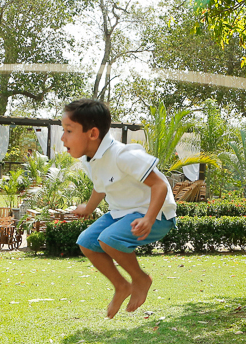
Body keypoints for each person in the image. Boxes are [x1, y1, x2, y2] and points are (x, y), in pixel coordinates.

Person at [61, 98, 177, 318]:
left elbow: (160, 185)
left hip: (157, 215)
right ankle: (121, 285)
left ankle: (140, 278)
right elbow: (100, 187)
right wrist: (87, 208)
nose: (62, 137)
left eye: (68, 130)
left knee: (108, 239)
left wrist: (149, 219)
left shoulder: (123, 155)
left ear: (92, 134)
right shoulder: (90, 159)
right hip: (122, 214)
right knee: (86, 241)